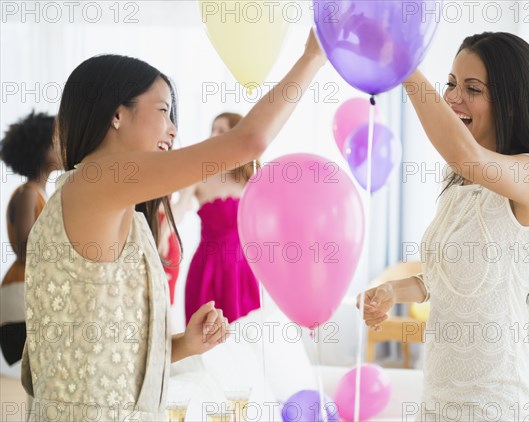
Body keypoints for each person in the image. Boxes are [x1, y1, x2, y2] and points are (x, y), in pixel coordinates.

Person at [22, 30, 326, 421]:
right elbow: (249, 141)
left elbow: (111, 345)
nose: (173, 129)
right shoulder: (97, 180)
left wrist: (184, 344)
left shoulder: (115, 203)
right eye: (163, 110)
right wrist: (313, 57)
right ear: (116, 114)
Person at [358, 32, 529, 421]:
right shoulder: (460, 184)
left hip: (497, 404)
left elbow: (466, 157)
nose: (452, 98)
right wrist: (392, 290)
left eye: (472, 88)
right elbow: (445, 278)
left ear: (511, 99)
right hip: (440, 400)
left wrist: (404, 65)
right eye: (450, 83)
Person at [183, 112, 260, 324]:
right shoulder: (198, 176)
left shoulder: (249, 179)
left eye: (221, 131)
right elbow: (178, 211)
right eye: (212, 130)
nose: (214, 135)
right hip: (207, 268)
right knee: (205, 332)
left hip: (241, 269)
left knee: (244, 334)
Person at [0, 111, 60, 366]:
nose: (63, 146)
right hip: (21, 294)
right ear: (40, 148)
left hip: (30, 293)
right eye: (57, 140)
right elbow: (28, 249)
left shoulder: (42, 194)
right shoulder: (28, 193)